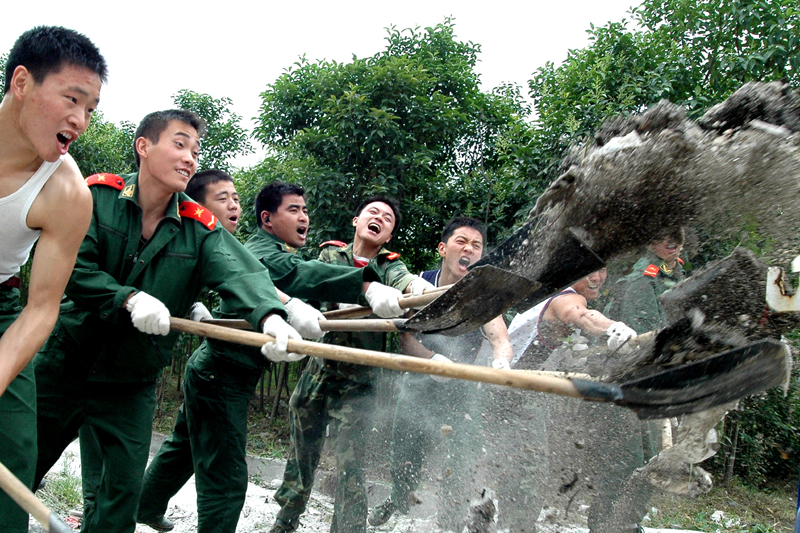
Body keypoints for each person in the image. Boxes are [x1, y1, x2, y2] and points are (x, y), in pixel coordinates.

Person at [31, 110, 302, 533]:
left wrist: (271, 315)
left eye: (195, 150)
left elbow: (239, 269)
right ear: (144, 146)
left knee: (121, 495)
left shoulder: (199, 226)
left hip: (131, 382)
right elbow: (72, 270)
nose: (190, 158)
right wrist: (129, 298)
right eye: (179, 144)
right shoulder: (96, 196)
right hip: (67, 364)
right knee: (18, 468)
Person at [137, 179, 407, 533]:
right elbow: (299, 274)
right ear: (267, 218)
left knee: (184, 447)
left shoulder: (273, 250)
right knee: (227, 477)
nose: (304, 217)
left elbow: (286, 281)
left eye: (305, 210)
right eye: (293, 210)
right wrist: (365, 286)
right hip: (222, 375)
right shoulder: (261, 250)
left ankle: (145, 507)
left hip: (218, 370)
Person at [270, 194, 433, 533]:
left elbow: (406, 283)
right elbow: (323, 278)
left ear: (389, 235)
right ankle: (285, 520)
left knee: (351, 464)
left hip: (359, 382)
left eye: (387, 218)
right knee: (302, 452)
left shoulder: (390, 266)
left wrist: (421, 289)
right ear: (356, 221)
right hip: (318, 371)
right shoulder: (332, 253)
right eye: (372, 212)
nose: (379, 218)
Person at [0, 26, 106, 532]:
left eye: (90, 109)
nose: (79, 121)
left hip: (3, 314)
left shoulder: (66, 193)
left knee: (13, 449)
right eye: (72, 99)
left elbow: (40, 310)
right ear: (22, 82)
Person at [368, 216, 513, 531]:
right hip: (419, 380)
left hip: (463, 388)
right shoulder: (420, 283)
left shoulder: (482, 295)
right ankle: (398, 496)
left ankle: (452, 521)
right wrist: (434, 360)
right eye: (461, 241)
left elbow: (500, 337)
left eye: (476, 246)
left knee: (462, 460)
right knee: (406, 460)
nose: (469, 250)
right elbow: (405, 336)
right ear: (443, 248)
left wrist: (502, 362)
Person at [509, 268, 637, 369]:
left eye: (602, 270)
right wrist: (614, 329)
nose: (597, 278)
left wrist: (564, 353)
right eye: (590, 271)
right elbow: (582, 316)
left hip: (509, 383)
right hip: (505, 382)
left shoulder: (550, 291)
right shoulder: (567, 298)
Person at [607, 227, 686, 335]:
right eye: (663, 235)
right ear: (651, 244)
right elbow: (644, 336)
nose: (672, 240)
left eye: (677, 235)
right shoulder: (642, 280)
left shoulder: (676, 271)